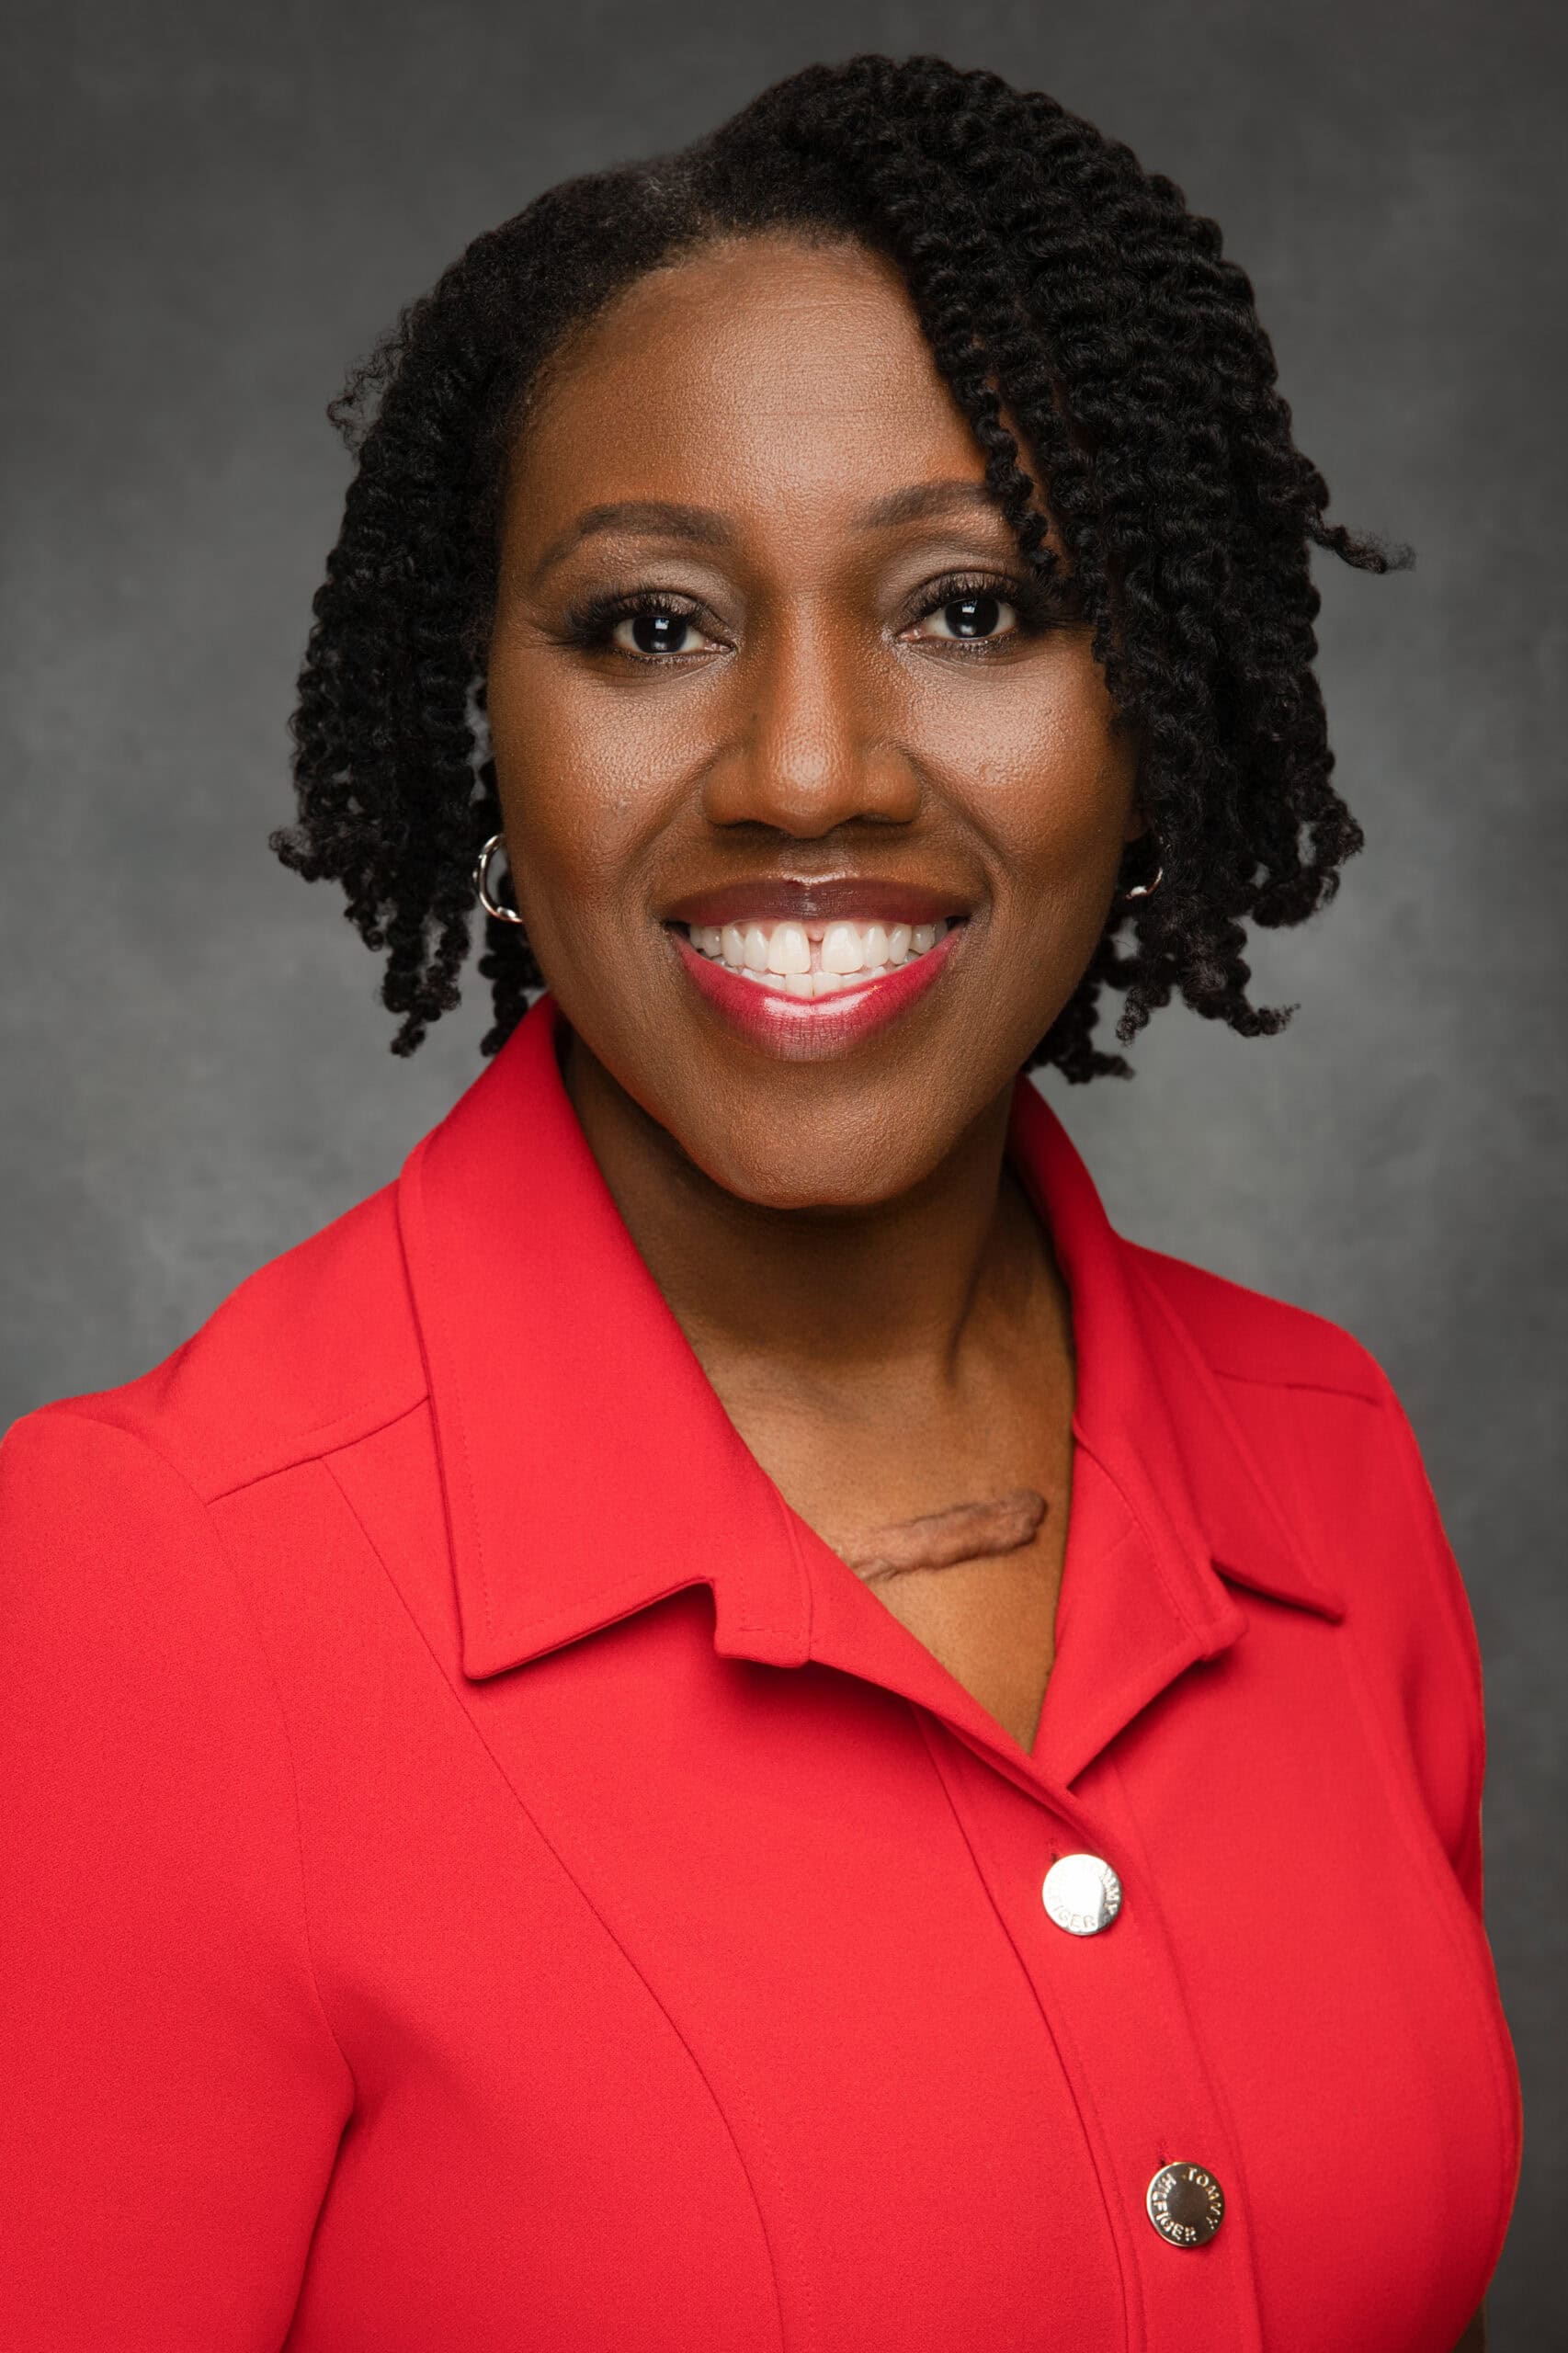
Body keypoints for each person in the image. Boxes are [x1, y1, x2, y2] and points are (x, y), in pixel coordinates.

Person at [0, 51, 1519, 2353]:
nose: (808, 766)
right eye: (650, 628)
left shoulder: (1327, 1459)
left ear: (1161, 691)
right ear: (477, 714)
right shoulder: (139, 1593)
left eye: (977, 606)